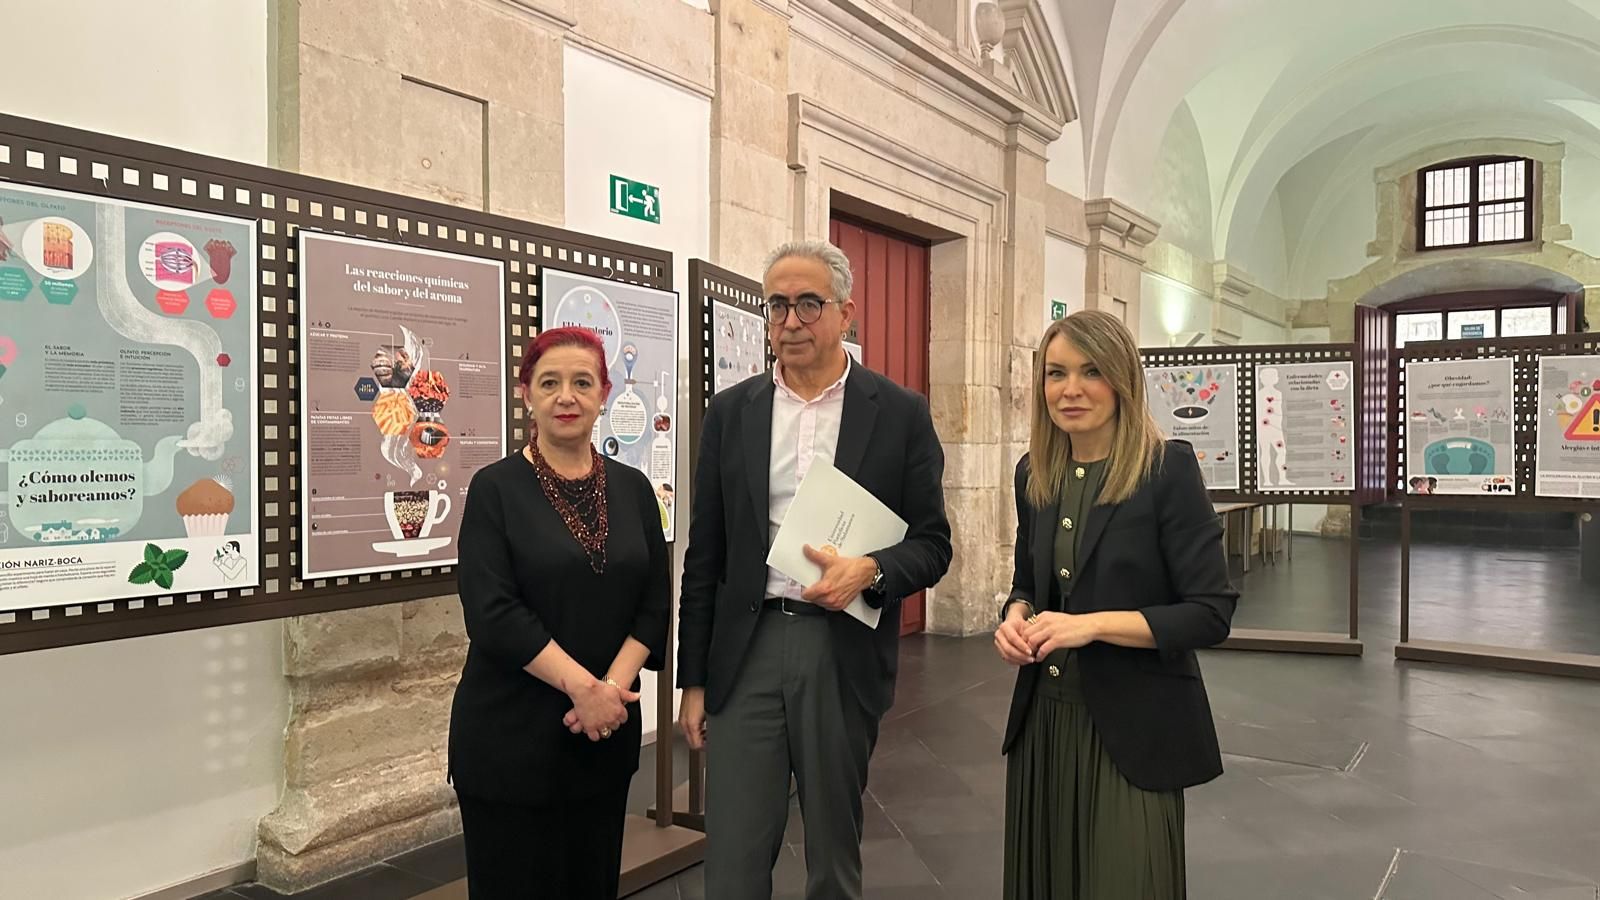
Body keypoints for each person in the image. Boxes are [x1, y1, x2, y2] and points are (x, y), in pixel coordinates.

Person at [678, 240, 952, 899]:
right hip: (748, 647)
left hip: (841, 647)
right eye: (777, 305)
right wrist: (693, 680)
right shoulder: (732, 413)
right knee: (734, 856)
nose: (791, 320)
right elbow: (705, 553)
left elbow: (933, 544)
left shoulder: (899, 414)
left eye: (808, 304)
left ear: (845, 313)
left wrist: (871, 570)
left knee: (832, 853)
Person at [993, 310, 1237, 899]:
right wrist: (1015, 616)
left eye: (1091, 371)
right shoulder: (1034, 474)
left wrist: (1090, 626)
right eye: (1056, 373)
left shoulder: (1166, 470)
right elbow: (1027, 583)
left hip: (1134, 727)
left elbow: (1209, 612)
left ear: (1123, 378)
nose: (1070, 389)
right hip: (1045, 723)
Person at [448, 326, 670, 899]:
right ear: (526, 394)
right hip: (510, 738)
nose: (565, 397)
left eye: (581, 383)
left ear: (604, 394)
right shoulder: (495, 488)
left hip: (602, 736)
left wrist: (609, 693)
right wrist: (584, 691)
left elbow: (653, 603)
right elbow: (493, 613)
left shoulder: (635, 489)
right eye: (549, 383)